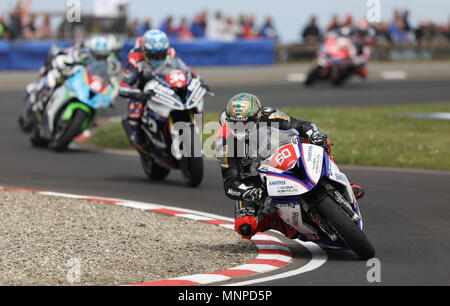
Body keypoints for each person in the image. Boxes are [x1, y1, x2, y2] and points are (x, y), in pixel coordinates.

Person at [215, 93, 365, 240]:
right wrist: (247, 191)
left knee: (319, 142)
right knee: (245, 227)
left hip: (277, 158)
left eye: (245, 123)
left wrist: (314, 134)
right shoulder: (224, 143)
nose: (240, 128)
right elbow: (230, 183)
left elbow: (301, 125)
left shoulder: (269, 115)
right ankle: (279, 223)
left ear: (257, 117)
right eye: (234, 123)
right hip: (251, 180)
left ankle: (338, 179)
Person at [119, 29, 194, 146]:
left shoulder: (171, 54)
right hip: (143, 90)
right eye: (154, 55)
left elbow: (185, 70)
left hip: (165, 85)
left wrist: (194, 79)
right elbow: (124, 84)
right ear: (145, 50)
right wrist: (135, 93)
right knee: (135, 112)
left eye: (161, 54)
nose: (158, 58)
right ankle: (138, 137)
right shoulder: (135, 59)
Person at [27, 35, 121, 110]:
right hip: (72, 75)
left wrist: (111, 96)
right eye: (97, 55)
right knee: (55, 76)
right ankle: (40, 92)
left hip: (88, 84)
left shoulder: (111, 64)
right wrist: (63, 67)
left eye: (103, 56)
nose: (99, 59)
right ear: (91, 51)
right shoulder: (82, 53)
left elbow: (114, 82)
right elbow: (65, 58)